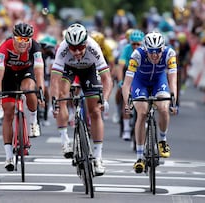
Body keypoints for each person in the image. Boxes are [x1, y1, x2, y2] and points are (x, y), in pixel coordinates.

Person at [50, 23, 113, 176]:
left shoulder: (93, 47)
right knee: (62, 95)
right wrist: (54, 101)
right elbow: (54, 80)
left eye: (80, 47)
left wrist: (104, 99)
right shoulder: (63, 49)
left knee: (96, 111)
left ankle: (98, 158)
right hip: (68, 69)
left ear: (86, 43)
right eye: (73, 48)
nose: (77, 51)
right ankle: (65, 141)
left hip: (89, 70)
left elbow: (107, 79)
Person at [122, 31, 178, 174]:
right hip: (140, 82)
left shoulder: (169, 54)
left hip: (159, 81)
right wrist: (126, 102)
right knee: (142, 112)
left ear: (163, 49)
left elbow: (173, 80)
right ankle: (139, 157)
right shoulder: (137, 55)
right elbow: (127, 83)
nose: (154, 55)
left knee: (164, 108)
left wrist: (173, 99)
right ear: (146, 49)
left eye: (158, 51)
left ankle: (163, 140)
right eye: (151, 52)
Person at [0, 22, 45, 171]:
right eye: (20, 39)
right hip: (8, 75)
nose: (23, 43)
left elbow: (39, 72)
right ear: (14, 38)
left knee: (29, 89)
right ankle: (8, 156)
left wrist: (40, 91)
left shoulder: (35, 47)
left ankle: (34, 121)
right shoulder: (4, 47)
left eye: (26, 39)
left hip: (26, 73)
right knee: (8, 112)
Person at [117, 29, 145, 141]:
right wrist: (120, 81)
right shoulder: (126, 49)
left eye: (138, 44)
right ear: (130, 43)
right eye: (133, 44)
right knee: (126, 98)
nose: (136, 46)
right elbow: (120, 67)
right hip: (128, 73)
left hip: (141, 75)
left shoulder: (145, 51)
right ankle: (127, 129)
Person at [38, 34, 57, 127]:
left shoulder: (51, 53)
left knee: (47, 95)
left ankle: (44, 117)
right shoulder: (38, 52)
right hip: (37, 73)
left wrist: (50, 77)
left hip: (46, 75)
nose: (52, 50)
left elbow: (52, 67)